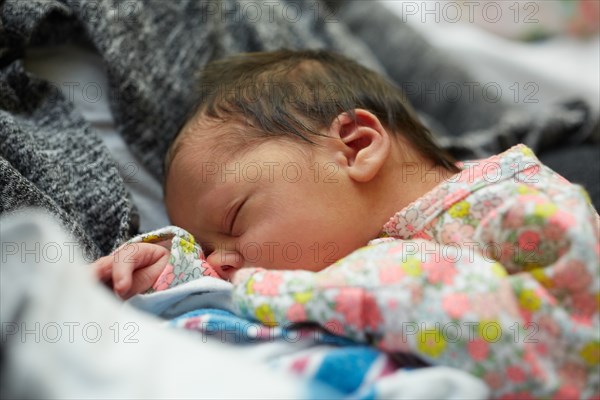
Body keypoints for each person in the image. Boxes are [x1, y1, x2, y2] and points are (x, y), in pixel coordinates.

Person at [92, 50, 599, 398]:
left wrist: (268, 288)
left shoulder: (516, 208)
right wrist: (168, 262)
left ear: (355, 147)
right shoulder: (361, 240)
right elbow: (219, 283)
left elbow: (564, 350)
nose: (220, 262)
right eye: (207, 246)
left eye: (234, 218)